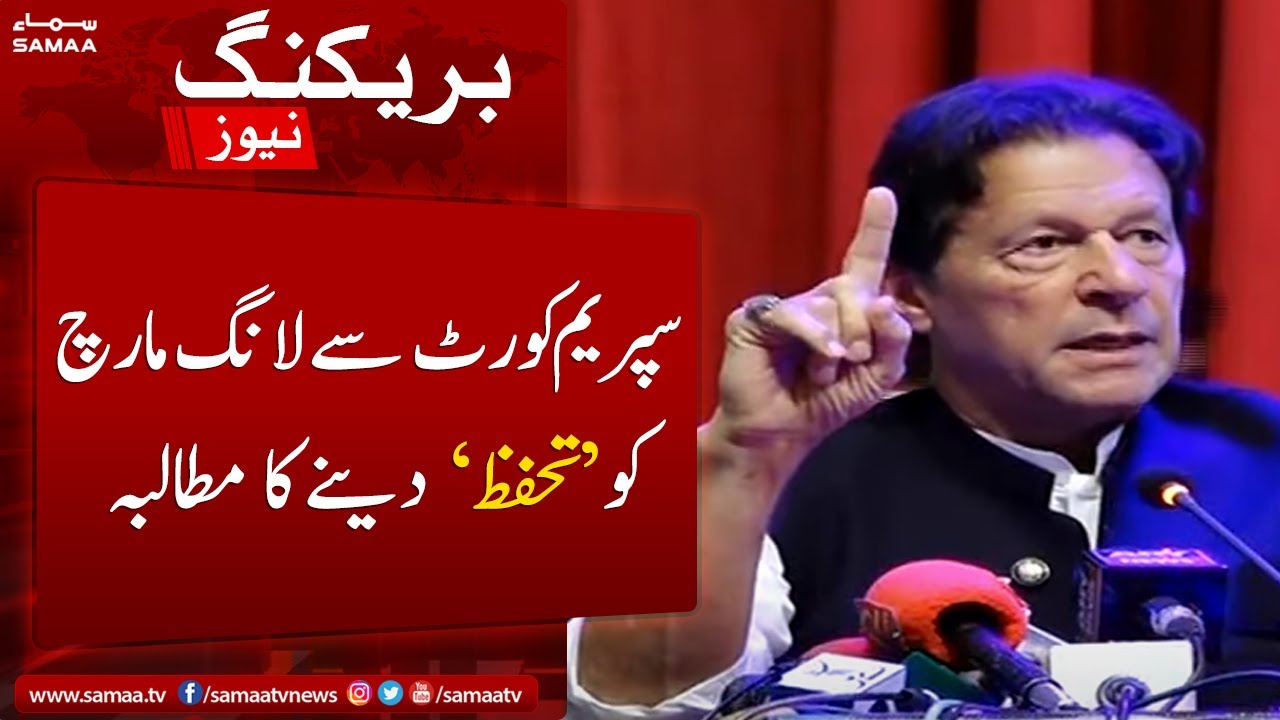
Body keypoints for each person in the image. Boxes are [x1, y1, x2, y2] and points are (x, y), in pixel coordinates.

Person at [566, 72, 1280, 718]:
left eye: (1146, 236)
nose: (1119, 280)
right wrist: (744, 458)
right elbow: (636, 701)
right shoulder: (800, 477)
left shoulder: (1265, 452)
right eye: (1043, 245)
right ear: (912, 296)